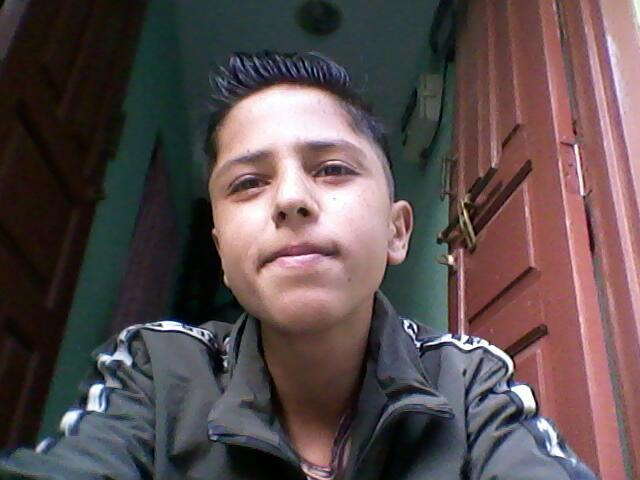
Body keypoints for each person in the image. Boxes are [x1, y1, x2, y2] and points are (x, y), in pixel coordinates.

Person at [1, 51, 596, 479]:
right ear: (221, 254)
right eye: (248, 182)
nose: (290, 199)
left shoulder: (470, 380)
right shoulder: (155, 369)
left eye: (333, 169)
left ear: (396, 231)